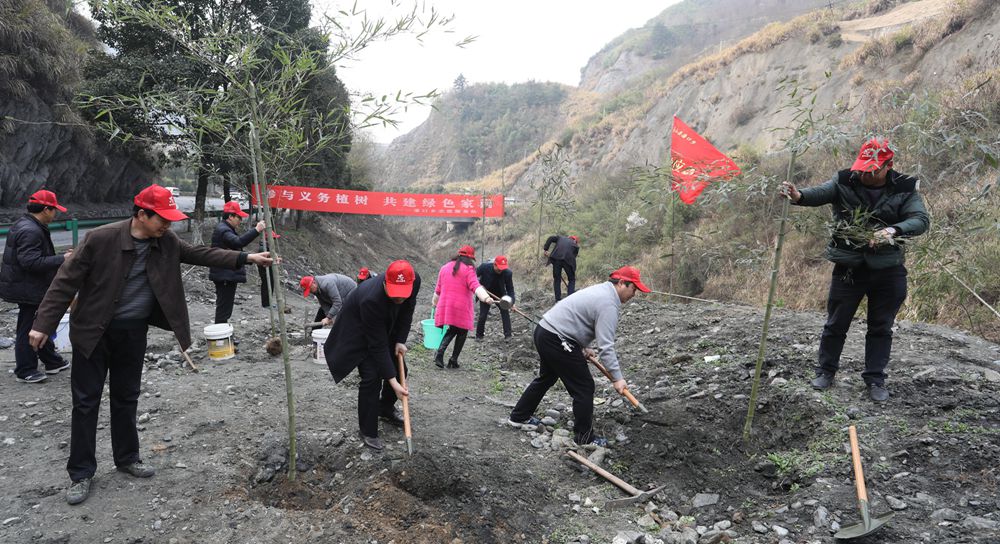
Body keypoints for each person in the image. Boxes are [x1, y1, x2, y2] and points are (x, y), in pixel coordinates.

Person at [28, 184, 274, 505]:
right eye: (162, 218)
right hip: (93, 332)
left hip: (133, 332)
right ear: (142, 214)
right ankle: (81, 472)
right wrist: (43, 324)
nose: (168, 225)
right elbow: (65, 281)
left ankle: (127, 457)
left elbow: (200, 253)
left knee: (127, 396)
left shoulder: (166, 241)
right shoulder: (100, 239)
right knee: (86, 402)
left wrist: (246, 257)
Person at [781, 138, 929, 402]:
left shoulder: (905, 186)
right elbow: (819, 193)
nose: (864, 175)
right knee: (836, 323)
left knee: (881, 327)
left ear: (889, 165)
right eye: (862, 168)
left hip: (888, 268)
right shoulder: (845, 179)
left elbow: (919, 220)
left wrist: (893, 230)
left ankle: (875, 379)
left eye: (872, 170)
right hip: (849, 268)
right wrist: (798, 196)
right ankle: (826, 371)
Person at [508, 266, 650, 446]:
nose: (634, 294)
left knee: (547, 377)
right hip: (557, 338)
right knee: (584, 386)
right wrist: (617, 378)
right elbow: (606, 346)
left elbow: (579, 317)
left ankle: (519, 416)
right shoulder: (608, 303)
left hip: (546, 330)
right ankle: (584, 437)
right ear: (622, 283)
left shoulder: (602, 290)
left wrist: (583, 346)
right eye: (634, 289)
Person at [324, 260, 420, 451]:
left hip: (386, 325)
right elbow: (377, 345)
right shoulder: (371, 299)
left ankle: (385, 408)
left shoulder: (414, 281)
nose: (399, 298)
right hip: (359, 329)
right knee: (372, 376)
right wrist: (392, 381)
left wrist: (400, 340)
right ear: (385, 282)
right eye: (395, 294)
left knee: (401, 369)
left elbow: (407, 310)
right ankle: (368, 430)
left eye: (403, 294)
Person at [0, 190, 72, 383]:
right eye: (54, 210)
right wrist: (62, 259)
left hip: (26, 285)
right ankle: (25, 370)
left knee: (41, 321)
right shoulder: (31, 230)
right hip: (27, 288)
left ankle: (51, 360)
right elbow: (30, 262)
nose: (55, 214)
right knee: (29, 326)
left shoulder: (28, 225)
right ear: (46, 209)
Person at [432, 245, 494, 368]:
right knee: (462, 331)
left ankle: (440, 352)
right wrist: (486, 298)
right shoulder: (469, 269)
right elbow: (475, 285)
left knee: (453, 329)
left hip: (447, 305)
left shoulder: (444, 267)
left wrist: (434, 303)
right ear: (470, 258)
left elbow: (438, 289)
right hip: (461, 306)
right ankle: (453, 359)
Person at [209, 200, 264, 324]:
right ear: (230, 216)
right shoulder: (223, 230)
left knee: (225, 307)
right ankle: (220, 332)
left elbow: (234, 250)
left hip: (226, 274)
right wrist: (256, 230)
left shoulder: (225, 229)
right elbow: (238, 242)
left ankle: (223, 330)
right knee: (224, 308)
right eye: (239, 217)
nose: (240, 220)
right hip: (224, 274)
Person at [475, 255, 515, 339]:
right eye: (499, 268)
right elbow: (472, 277)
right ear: (494, 264)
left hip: (500, 294)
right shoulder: (484, 267)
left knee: (505, 313)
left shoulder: (508, 273)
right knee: (483, 315)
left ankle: (508, 335)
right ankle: (479, 335)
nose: (501, 270)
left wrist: (512, 302)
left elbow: (510, 289)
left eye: (503, 268)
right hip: (485, 293)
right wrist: (479, 285)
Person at [543, 234, 580, 301]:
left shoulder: (560, 238)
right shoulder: (575, 246)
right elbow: (573, 257)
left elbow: (551, 238)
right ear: (575, 241)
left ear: (569, 237)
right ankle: (570, 299)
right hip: (568, 260)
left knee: (557, 279)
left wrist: (546, 249)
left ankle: (558, 300)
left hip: (556, 259)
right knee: (571, 279)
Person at [258, 231, 281, 309]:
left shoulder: (268, 248)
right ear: (268, 239)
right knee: (267, 284)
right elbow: (264, 261)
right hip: (265, 270)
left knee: (270, 284)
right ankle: (266, 303)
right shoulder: (263, 248)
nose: (274, 240)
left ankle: (268, 302)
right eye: (273, 238)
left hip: (269, 269)